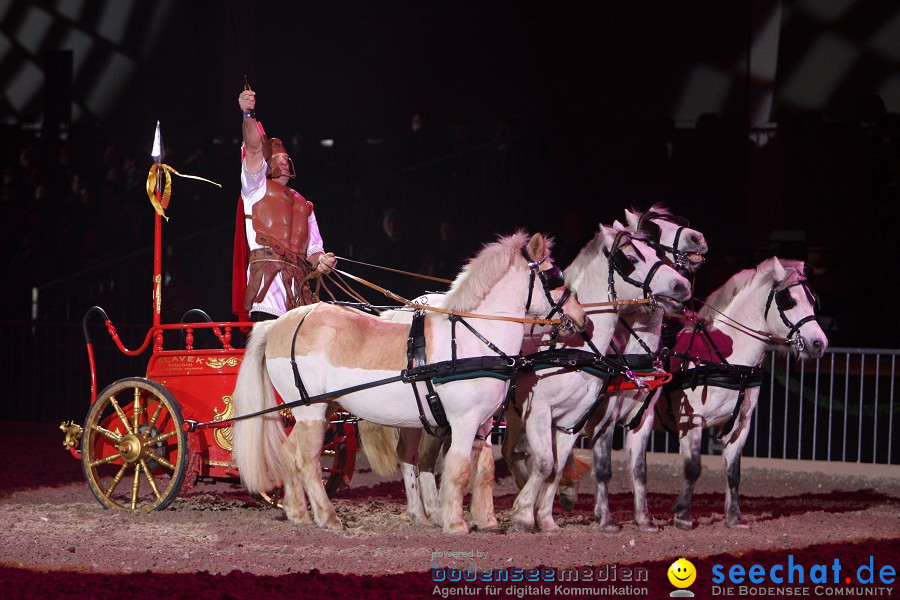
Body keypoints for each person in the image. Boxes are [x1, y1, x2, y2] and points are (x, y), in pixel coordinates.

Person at [232, 87, 336, 322]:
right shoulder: (255, 187)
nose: (284, 163)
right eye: (277, 160)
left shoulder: (304, 205)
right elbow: (254, 147)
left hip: (300, 286)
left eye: (286, 159)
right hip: (268, 285)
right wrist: (248, 114)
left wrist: (322, 261)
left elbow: (313, 249)